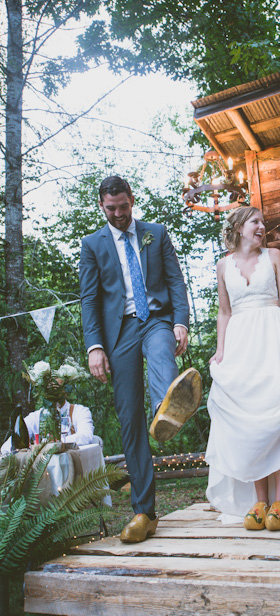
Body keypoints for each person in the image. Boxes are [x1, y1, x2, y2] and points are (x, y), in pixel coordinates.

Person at [79, 175, 201, 544]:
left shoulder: (156, 233)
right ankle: (144, 511)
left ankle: (166, 408)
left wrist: (181, 321)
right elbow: (89, 300)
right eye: (110, 209)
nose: (118, 214)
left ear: (132, 200)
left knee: (163, 350)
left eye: (123, 206)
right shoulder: (92, 245)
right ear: (102, 206)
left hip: (156, 319)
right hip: (119, 334)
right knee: (129, 418)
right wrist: (94, 347)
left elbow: (176, 281)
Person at [205, 206, 280, 531]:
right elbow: (224, 312)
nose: (262, 227)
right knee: (250, 420)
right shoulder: (223, 265)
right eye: (255, 222)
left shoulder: (275, 256)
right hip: (241, 344)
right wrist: (220, 350)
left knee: (278, 415)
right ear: (239, 227)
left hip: (272, 337)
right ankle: (259, 500)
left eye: (263, 222)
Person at [1, 399, 94, 455]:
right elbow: (8, 446)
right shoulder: (36, 416)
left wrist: (52, 444)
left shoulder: (80, 411)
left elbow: (86, 436)